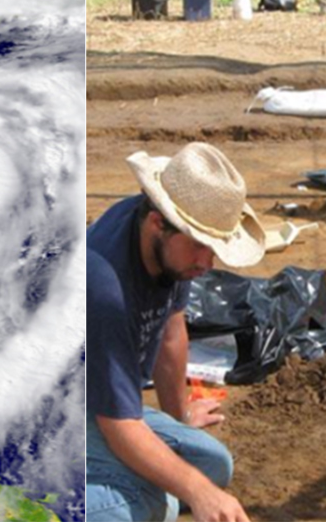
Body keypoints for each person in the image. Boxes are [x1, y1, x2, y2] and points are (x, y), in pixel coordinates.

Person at [87, 143, 262, 522]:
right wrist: (197, 493)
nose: (207, 262)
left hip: (98, 398)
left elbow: (171, 331)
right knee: (152, 502)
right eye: (200, 244)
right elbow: (117, 425)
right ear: (157, 222)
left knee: (214, 465)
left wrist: (179, 413)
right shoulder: (103, 285)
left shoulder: (169, 253)